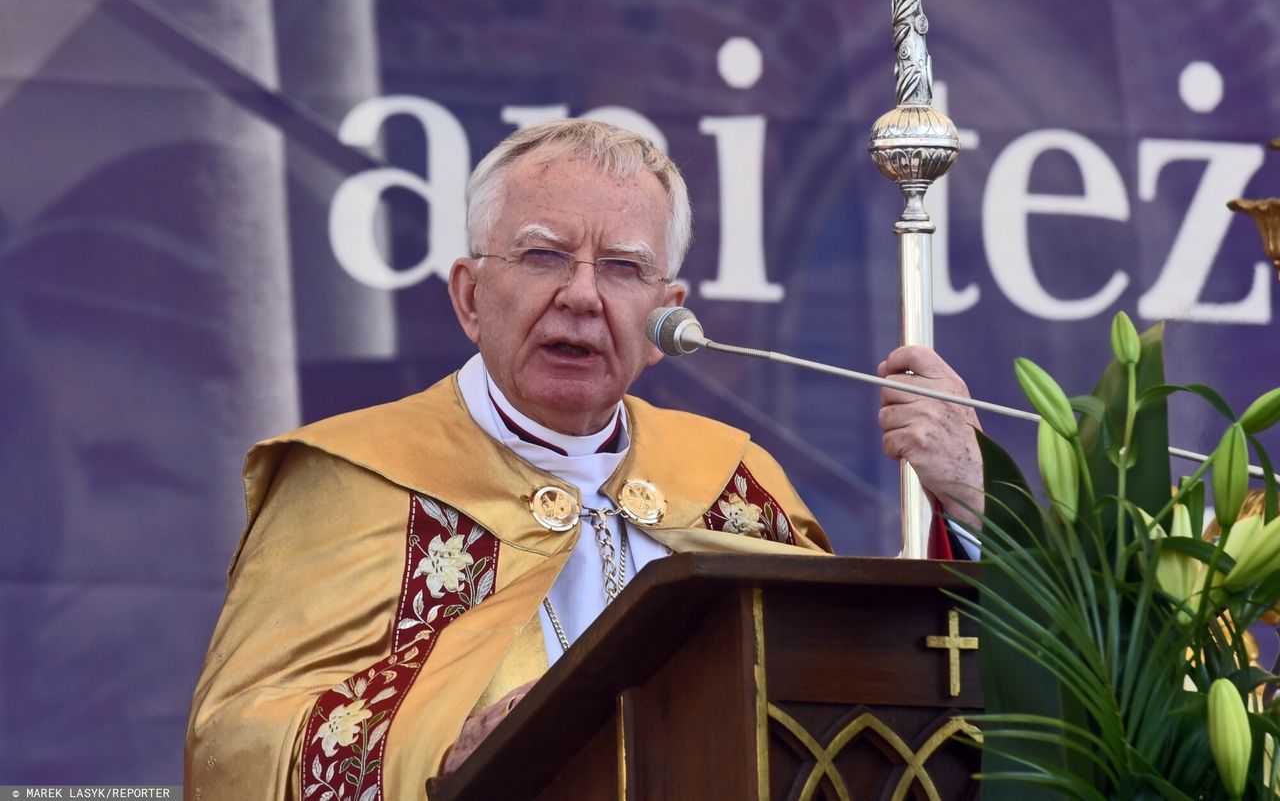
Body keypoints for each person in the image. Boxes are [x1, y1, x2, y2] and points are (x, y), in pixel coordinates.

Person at [184, 118, 983, 799]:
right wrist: (439, 750)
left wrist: (974, 508)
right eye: (541, 256)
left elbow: (855, 692)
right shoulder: (355, 474)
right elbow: (231, 745)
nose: (581, 295)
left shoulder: (735, 479)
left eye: (623, 268)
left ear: (667, 319)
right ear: (468, 295)